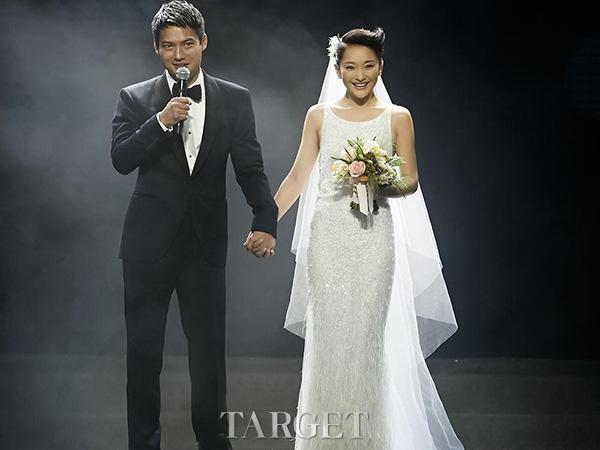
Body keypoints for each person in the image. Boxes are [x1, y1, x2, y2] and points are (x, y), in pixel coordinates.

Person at [273, 28, 464, 449]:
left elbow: (410, 180)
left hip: (374, 241)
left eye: (368, 66)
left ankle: (368, 441)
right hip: (328, 241)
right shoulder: (318, 116)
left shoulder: (398, 117)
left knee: (365, 344)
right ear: (337, 69)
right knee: (329, 344)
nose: (360, 75)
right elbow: (298, 176)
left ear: (381, 67)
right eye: (351, 67)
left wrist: (375, 178)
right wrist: (265, 222)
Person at [110, 1, 277, 449]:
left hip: (204, 245)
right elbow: (121, 159)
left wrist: (265, 219)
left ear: (203, 42)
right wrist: (161, 121)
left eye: (187, 44)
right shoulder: (135, 97)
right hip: (147, 246)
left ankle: (214, 443)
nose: (179, 55)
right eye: (168, 46)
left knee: (208, 357)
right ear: (156, 49)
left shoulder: (234, 98)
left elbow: (250, 166)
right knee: (143, 356)